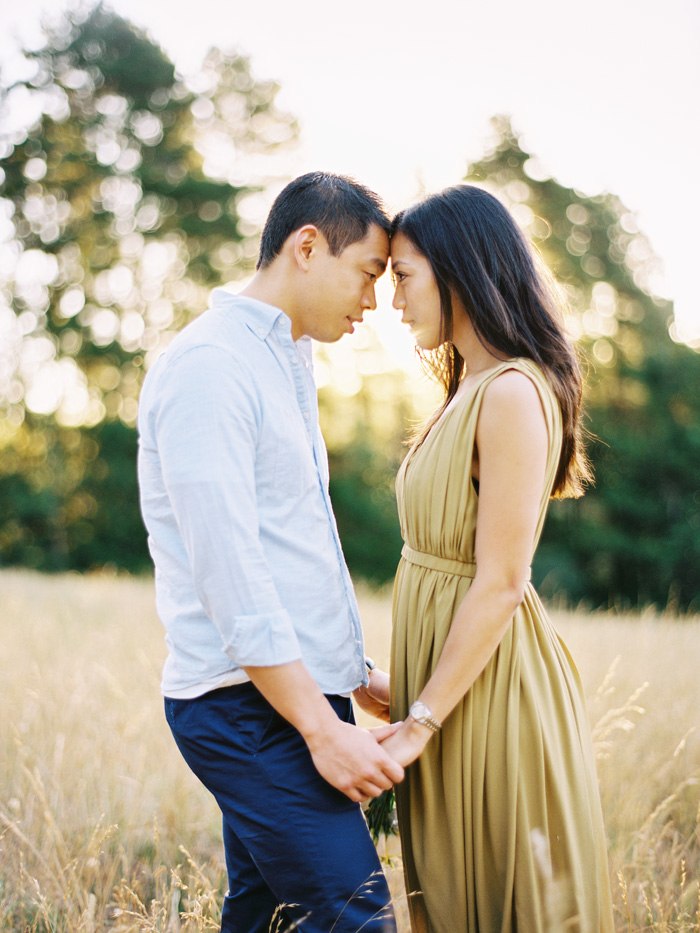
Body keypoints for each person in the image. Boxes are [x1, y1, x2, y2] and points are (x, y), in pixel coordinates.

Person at [137, 171, 404, 933]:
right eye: (369, 274)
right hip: (243, 706)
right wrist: (323, 731)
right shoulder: (210, 367)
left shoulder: (282, 360)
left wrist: (354, 675)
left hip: (286, 694)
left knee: (268, 920)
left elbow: (290, 547)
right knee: (358, 922)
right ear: (309, 246)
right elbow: (231, 571)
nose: (374, 302)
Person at [379, 184, 614, 932]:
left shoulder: (511, 392)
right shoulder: (467, 387)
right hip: (449, 686)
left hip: (488, 695)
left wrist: (420, 718)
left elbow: (504, 580)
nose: (393, 301)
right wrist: (403, 686)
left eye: (405, 276)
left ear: (459, 270)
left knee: (497, 895)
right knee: (448, 896)